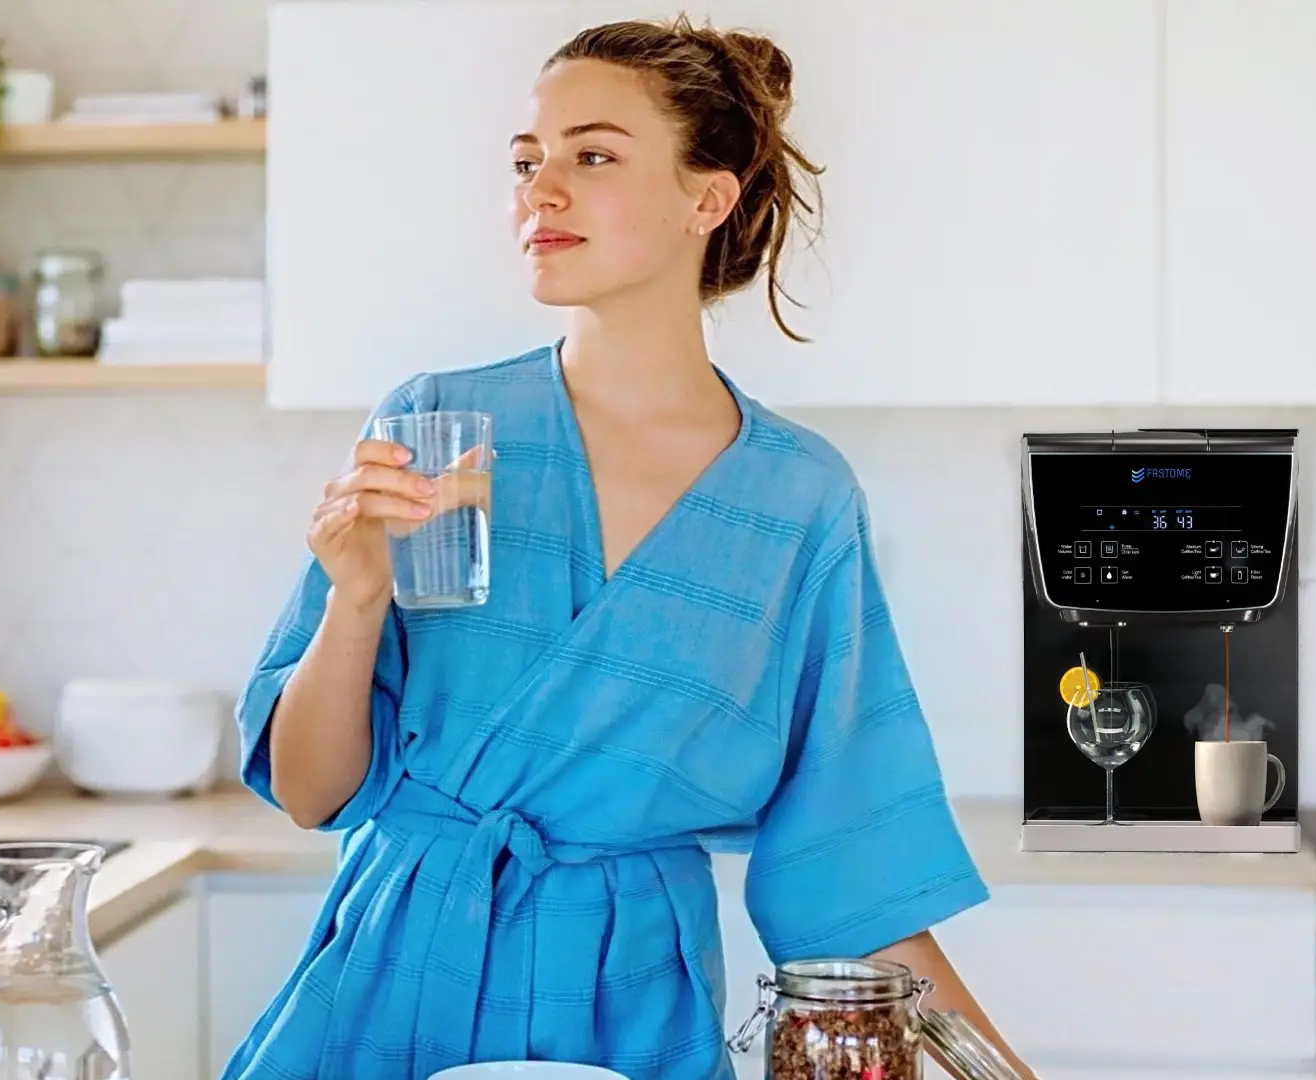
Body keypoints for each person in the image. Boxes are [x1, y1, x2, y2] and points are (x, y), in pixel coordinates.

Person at [225, 15, 1035, 1080]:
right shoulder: (434, 429)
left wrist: (1001, 1074)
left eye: (593, 156)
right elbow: (312, 793)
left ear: (709, 198)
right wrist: (357, 597)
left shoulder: (798, 501)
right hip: (392, 986)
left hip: (631, 1008)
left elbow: (853, 882)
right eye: (527, 161)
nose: (541, 191)